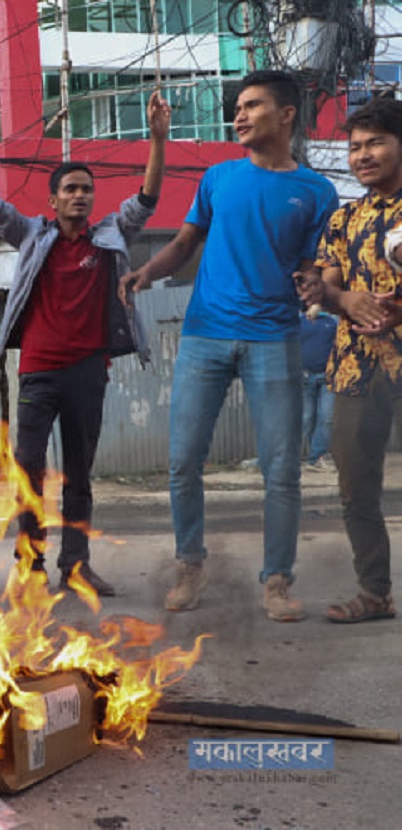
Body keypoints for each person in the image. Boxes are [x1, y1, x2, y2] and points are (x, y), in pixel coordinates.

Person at [119, 70, 339, 622]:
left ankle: (278, 580)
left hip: (275, 338)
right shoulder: (218, 178)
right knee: (182, 461)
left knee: (282, 468)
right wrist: (146, 272)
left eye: (251, 106)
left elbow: (314, 265)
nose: (238, 116)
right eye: (237, 107)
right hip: (205, 334)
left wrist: (316, 284)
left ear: (286, 115)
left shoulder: (316, 190)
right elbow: (185, 241)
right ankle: (190, 564)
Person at [0, 91, 171, 598]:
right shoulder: (32, 238)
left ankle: (75, 565)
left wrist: (157, 138)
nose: (80, 197)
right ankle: (29, 565)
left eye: (86, 190)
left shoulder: (110, 236)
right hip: (38, 373)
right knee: (28, 470)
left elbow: (149, 198)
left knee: (80, 477)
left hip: (88, 373)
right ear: (52, 200)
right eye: (70, 190)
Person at [305, 97, 402, 624]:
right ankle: (374, 592)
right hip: (356, 368)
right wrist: (348, 302)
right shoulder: (344, 218)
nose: (363, 155)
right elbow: (323, 284)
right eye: (355, 146)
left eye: (376, 143)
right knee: (355, 486)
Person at [299, 304, 337, 471]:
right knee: (307, 418)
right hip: (305, 377)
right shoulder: (298, 323)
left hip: (327, 377)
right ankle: (313, 453)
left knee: (327, 417)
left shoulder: (331, 322)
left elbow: (338, 347)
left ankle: (317, 456)